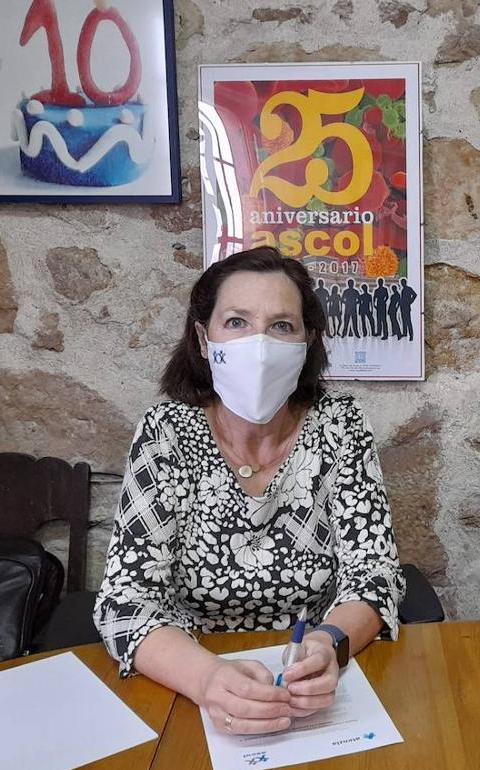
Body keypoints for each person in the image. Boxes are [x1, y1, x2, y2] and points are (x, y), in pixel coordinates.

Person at [94, 246, 406, 736]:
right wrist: (206, 678)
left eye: (281, 326)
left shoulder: (340, 424)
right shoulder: (166, 432)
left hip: (309, 686)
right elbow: (125, 600)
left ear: (308, 341)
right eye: (237, 322)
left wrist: (330, 644)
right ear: (204, 338)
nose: (259, 346)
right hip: (190, 683)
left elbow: (375, 571)